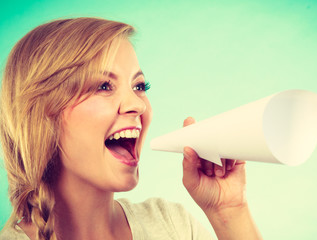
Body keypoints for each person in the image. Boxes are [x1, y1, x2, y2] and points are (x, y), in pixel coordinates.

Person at [0, 17, 262, 240]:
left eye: (139, 86)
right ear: (41, 116)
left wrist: (230, 211)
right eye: (104, 86)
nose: (137, 104)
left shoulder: (172, 225)